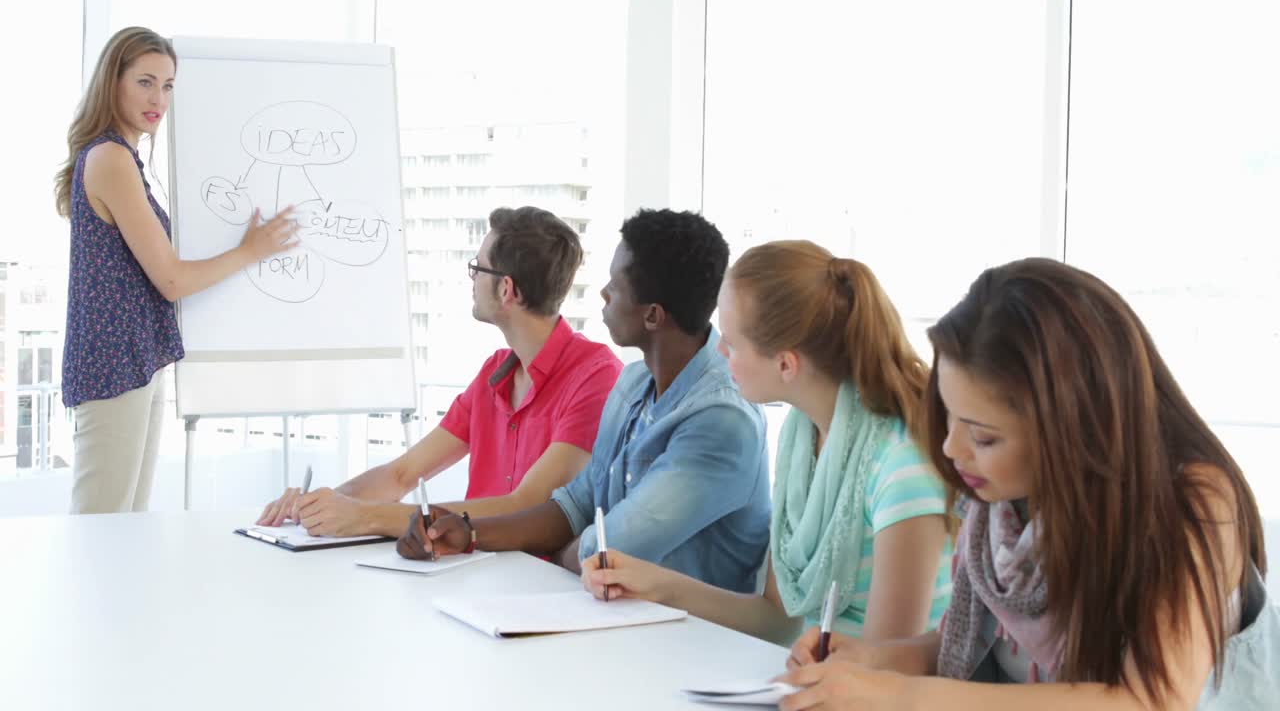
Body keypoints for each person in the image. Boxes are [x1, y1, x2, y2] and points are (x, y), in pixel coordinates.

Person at [780, 258, 1279, 710]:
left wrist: (898, 694)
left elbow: (1150, 700)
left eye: (984, 436)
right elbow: (970, 646)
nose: (952, 449)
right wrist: (871, 661)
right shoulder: (999, 503)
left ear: (1076, 428)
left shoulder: (1197, 503)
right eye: (949, 417)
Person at [580, 241, 952, 644]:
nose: (719, 349)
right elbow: (777, 620)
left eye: (733, 343)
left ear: (786, 364)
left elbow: (889, 669)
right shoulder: (800, 437)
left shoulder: (902, 465)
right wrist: (652, 583)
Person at [398, 209, 771, 593]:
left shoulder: (722, 419)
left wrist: (555, 557)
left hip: (692, 638)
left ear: (653, 316)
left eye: (616, 286)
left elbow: (613, 547)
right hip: (617, 614)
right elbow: (575, 504)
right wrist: (469, 531)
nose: (603, 294)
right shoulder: (634, 383)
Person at [257, 206, 622, 537]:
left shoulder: (596, 378)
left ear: (506, 289)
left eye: (477, 268)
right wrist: (320, 507)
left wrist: (368, 516)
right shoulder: (495, 373)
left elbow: (525, 506)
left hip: (540, 586)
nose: (472, 279)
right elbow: (401, 474)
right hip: (472, 569)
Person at [54, 26, 298, 514]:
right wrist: (252, 249)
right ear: (113, 82)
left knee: (123, 525)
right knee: (100, 529)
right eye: (145, 82)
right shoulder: (109, 158)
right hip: (113, 366)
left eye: (167, 85)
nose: (158, 99)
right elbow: (171, 280)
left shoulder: (122, 158)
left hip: (134, 362)